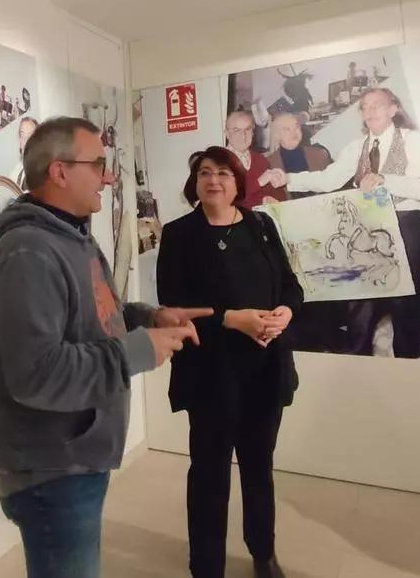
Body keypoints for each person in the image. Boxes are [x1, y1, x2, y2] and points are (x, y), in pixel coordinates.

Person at [0, 116, 210, 578]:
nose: (108, 177)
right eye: (98, 164)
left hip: (75, 454)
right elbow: (36, 374)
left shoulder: (72, 236)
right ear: (60, 171)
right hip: (50, 467)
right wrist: (137, 351)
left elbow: (99, 315)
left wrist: (148, 317)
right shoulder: (29, 251)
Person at [157, 146, 302, 578]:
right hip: (211, 374)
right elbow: (173, 305)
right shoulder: (179, 233)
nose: (213, 180)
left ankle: (263, 553)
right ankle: (206, 567)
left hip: (264, 371)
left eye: (222, 172)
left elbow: (291, 286)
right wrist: (231, 319)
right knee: (209, 474)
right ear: (195, 183)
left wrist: (286, 313)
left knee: (259, 467)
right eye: (204, 173)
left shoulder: (261, 226)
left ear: (238, 182)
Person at [261, 88, 420, 358]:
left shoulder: (414, 140)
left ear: (393, 109)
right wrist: (289, 179)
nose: (370, 111)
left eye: (377, 105)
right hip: (367, 231)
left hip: (406, 227)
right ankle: (357, 371)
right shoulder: (356, 147)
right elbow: (329, 179)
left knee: (406, 309)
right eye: (365, 107)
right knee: (359, 308)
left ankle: (406, 372)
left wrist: (385, 180)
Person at [224, 110, 284, 207]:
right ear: (227, 134)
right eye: (236, 130)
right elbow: (225, 201)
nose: (243, 135)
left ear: (253, 132)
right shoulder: (218, 162)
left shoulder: (261, 160)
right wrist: (259, 182)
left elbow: (277, 193)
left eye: (247, 129)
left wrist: (269, 198)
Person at [265, 112, 331, 199]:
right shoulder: (268, 163)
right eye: (287, 129)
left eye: (296, 127)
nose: (294, 132)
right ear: (277, 135)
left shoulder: (320, 154)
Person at [9, 116, 39, 189]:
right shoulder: (16, 172)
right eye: (22, 135)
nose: (25, 141)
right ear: (20, 141)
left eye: (30, 136)